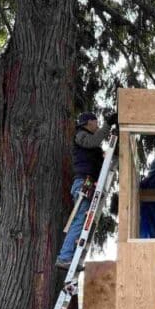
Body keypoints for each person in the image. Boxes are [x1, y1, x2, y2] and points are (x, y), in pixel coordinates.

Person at [56, 111, 112, 270]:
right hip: (84, 183)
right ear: (89, 122)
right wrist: (108, 125)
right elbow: (93, 141)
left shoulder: (91, 146)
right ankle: (64, 257)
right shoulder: (80, 136)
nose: (98, 125)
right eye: (96, 122)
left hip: (89, 183)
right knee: (80, 219)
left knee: (84, 221)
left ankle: (72, 257)